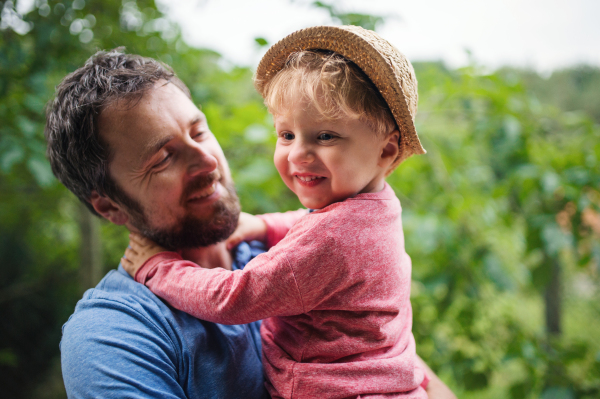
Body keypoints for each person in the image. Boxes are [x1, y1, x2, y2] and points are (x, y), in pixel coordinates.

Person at [46, 47, 455, 398]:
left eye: (199, 132)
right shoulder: (115, 334)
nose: (206, 161)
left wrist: (255, 230)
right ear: (110, 207)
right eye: (163, 158)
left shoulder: (292, 256)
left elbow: (395, 367)